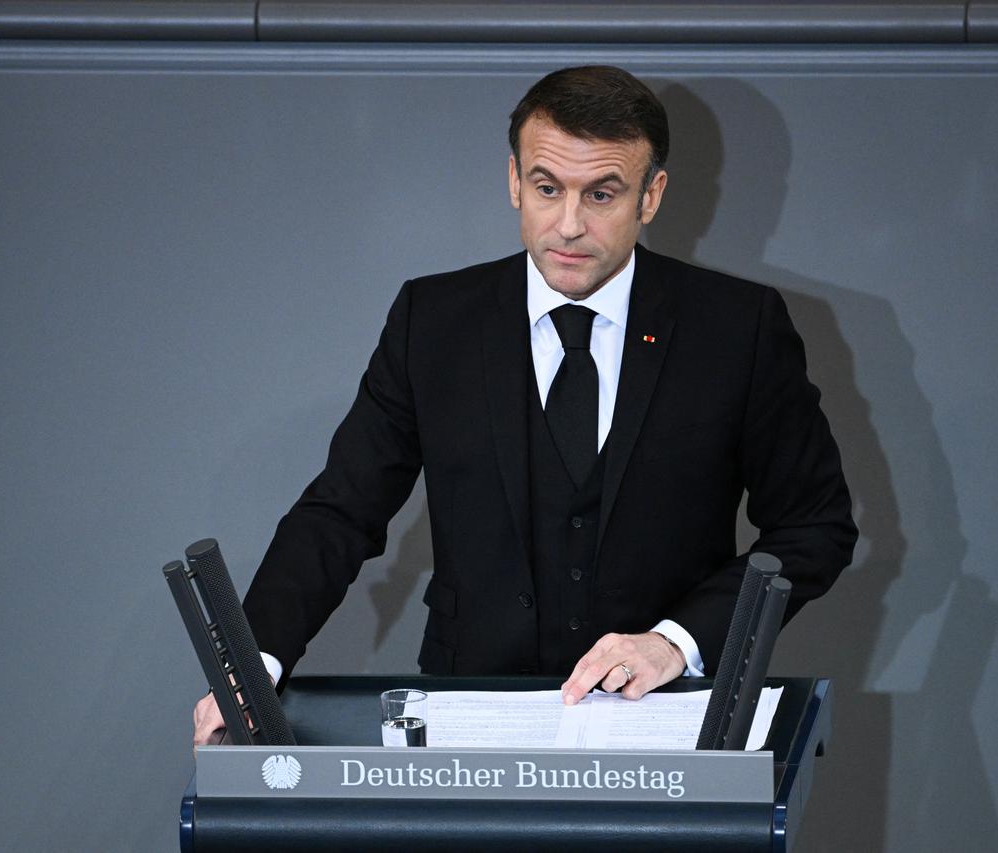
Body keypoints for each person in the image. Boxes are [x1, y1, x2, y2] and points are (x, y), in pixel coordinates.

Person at [193, 65, 856, 745]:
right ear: (514, 181)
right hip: (465, 716)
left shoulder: (736, 328)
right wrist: (254, 662)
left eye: (602, 193)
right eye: (547, 189)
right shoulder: (434, 321)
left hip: (664, 721)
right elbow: (341, 509)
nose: (569, 225)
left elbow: (816, 526)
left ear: (651, 196)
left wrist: (674, 642)